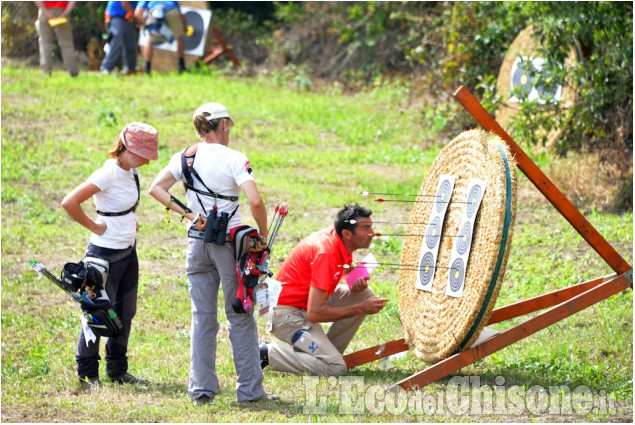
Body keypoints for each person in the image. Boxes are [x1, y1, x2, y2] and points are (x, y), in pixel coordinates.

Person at [149, 102, 272, 405]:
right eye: (229, 124)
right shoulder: (234, 158)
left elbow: (157, 188)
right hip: (229, 244)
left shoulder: (186, 156)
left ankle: (202, 390)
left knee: (203, 319)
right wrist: (263, 235)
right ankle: (250, 393)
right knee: (240, 315)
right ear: (224, 125)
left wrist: (191, 215)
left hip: (196, 242)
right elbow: (254, 201)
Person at [61, 122, 159, 390]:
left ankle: (117, 370)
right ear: (127, 148)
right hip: (103, 257)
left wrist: (130, 221)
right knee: (96, 315)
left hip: (129, 253)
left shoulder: (132, 171)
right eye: (143, 155)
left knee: (125, 313)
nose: (147, 162)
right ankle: (87, 375)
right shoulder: (107, 173)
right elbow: (69, 202)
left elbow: (122, 205)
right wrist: (94, 226)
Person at [261, 204, 389, 376]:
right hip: (287, 317)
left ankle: (325, 353)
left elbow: (338, 270)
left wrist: (352, 277)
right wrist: (361, 308)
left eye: (371, 227)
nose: (372, 233)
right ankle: (266, 353)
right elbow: (315, 313)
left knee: (363, 294)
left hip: (304, 304)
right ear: (347, 234)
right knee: (335, 367)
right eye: (366, 228)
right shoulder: (326, 252)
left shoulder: (339, 239)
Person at [134, 1, 186, 75]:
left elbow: (137, 13)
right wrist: (184, 26)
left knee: (150, 40)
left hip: (156, 12)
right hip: (172, 11)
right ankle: (182, 67)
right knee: (179, 37)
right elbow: (180, 14)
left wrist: (147, 23)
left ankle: (147, 69)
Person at [34, 1, 79, 77]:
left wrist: (46, 13)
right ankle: (72, 71)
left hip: (45, 11)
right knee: (67, 44)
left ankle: (46, 71)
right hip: (62, 10)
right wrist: (66, 13)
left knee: (45, 43)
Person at [101, 1, 139, 75]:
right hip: (116, 15)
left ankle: (131, 68)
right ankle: (106, 68)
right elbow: (124, 3)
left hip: (126, 17)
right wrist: (136, 17)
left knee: (130, 42)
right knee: (116, 41)